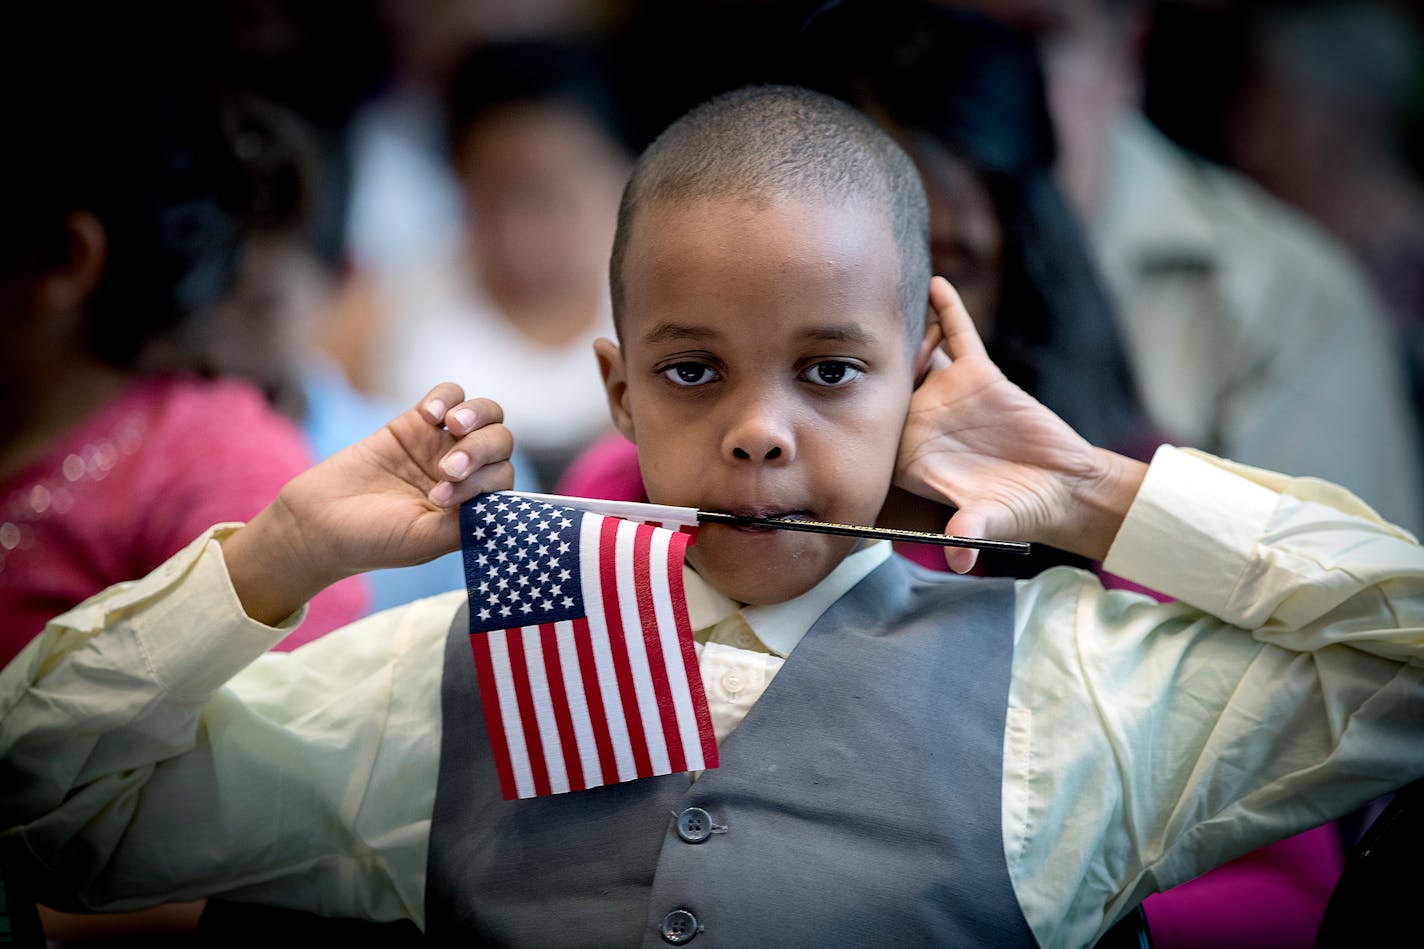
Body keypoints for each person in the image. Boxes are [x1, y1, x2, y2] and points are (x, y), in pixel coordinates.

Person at [2, 85, 1421, 948]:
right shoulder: (465, 674)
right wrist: (278, 556)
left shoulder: (1070, 685)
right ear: (617, 391)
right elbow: (53, 809)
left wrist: (1102, 495)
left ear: (918, 375)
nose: (757, 426)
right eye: (693, 371)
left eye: (830, 371)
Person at [949, 0, 1423, 540]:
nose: (994, 79)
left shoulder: (1285, 297)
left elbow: (1337, 598)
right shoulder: (856, 254)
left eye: (1042, 39)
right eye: (957, 36)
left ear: (1128, 52)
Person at [353, 37, 638, 490]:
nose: (517, 231)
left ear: (622, 172)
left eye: (549, 195)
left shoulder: (668, 299)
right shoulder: (378, 315)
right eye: (489, 197)